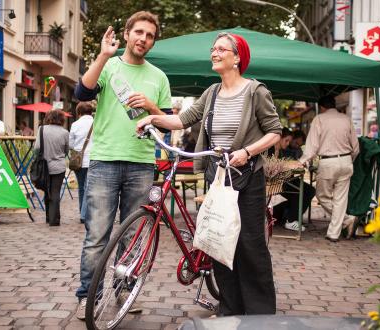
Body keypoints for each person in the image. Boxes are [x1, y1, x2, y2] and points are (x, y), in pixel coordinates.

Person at [137, 32, 281, 316]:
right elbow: (181, 120)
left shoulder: (255, 91)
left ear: (237, 57)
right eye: (213, 49)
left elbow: (275, 132)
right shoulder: (212, 93)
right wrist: (153, 117)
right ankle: (230, 306)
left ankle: (260, 311)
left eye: (221, 49)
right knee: (218, 240)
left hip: (247, 175)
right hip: (217, 174)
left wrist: (248, 152)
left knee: (249, 243)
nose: (214, 53)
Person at [72, 11, 172, 319]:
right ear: (127, 34)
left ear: (153, 42)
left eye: (150, 35)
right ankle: (88, 296)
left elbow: (167, 123)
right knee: (97, 236)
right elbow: (82, 92)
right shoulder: (109, 65)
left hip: (142, 164)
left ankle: (124, 289)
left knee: (132, 236)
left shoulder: (159, 77)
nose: (143, 38)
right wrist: (102, 55)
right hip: (104, 161)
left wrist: (151, 106)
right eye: (139, 32)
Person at [299, 95, 359, 242]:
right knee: (340, 199)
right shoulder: (346, 119)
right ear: (334, 105)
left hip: (328, 162)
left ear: (322, 107)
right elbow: (356, 147)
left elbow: (312, 146)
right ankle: (337, 230)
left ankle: (346, 221)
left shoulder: (319, 119)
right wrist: (349, 160)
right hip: (346, 161)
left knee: (322, 196)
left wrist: (302, 161)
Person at [269, 129, 316, 232]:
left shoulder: (279, 149)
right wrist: (292, 164)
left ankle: (292, 218)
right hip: (275, 182)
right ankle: (291, 220)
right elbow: (273, 166)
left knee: (310, 190)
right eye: (286, 140)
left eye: (289, 141)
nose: (288, 143)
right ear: (279, 138)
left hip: (282, 180)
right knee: (300, 191)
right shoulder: (271, 149)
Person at [33, 110, 69, 226]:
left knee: (47, 192)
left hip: (44, 166)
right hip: (59, 167)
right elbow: (67, 150)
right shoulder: (64, 132)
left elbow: (37, 148)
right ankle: (54, 219)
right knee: (55, 192)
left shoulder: (41, 129)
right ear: (61, 119)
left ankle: (49, 217)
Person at [68, 102, 94, 224]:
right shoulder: (97, 123)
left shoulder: (75, 124)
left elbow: (70, 144)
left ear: (79, 112)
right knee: (89, 188)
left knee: (82, 187)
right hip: (93, 159)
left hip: (78, 161)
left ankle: (82, 212)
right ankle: (84, 215)